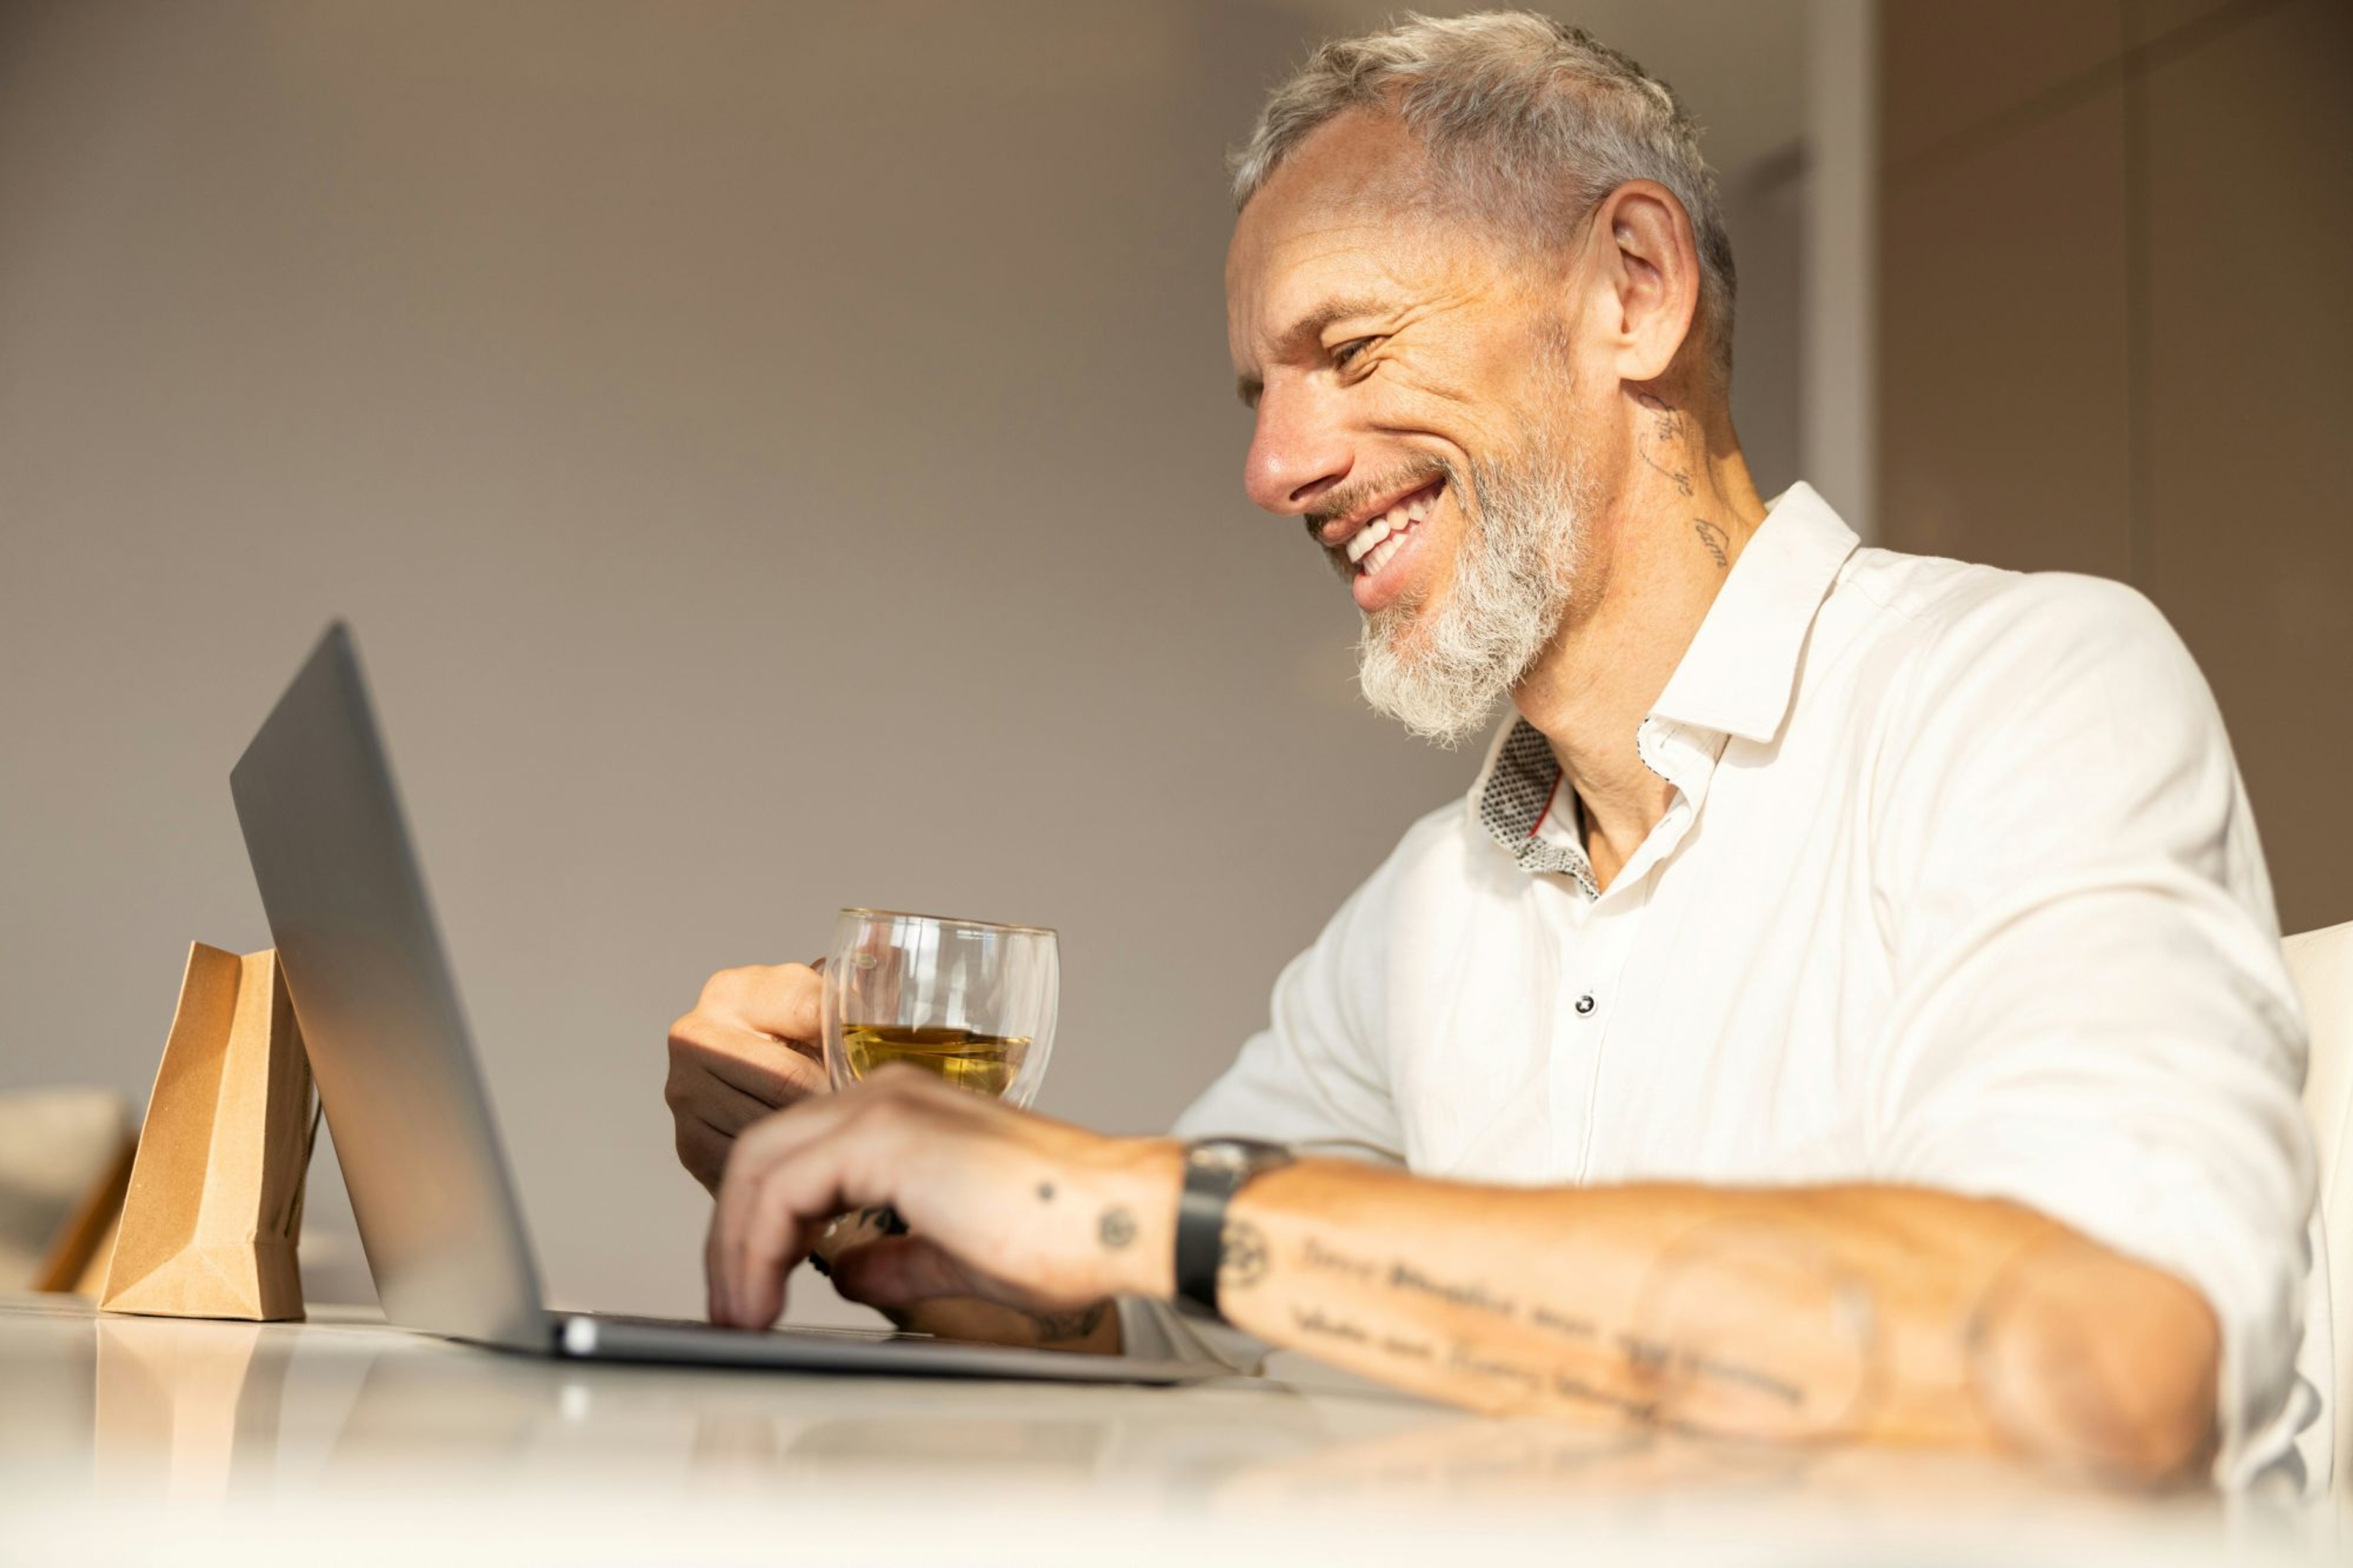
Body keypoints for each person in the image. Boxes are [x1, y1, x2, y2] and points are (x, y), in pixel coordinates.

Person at [664, 12, 2319, 1489]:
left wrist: (1131, 1200)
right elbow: (1149, 1326)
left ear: (1632, 289)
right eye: (1258, 391)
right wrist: (882, 1190)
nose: (1275, 467)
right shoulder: (1429, 908)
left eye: (1351, 350)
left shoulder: (2024, 695)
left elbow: (2106, 1366)